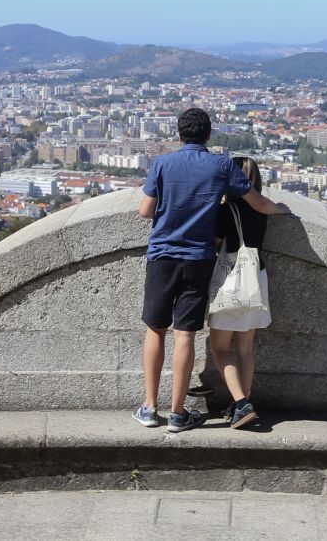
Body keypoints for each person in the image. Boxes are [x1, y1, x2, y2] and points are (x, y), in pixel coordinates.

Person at [133, 108, 290, 433]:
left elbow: (145, 211)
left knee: (155, 330)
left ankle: (149, 408)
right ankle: (177, 415)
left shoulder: (162, 164)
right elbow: (256, 201)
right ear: (208, 135)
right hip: (199, 258)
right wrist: (280, 210)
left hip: (162, 255)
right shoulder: (220, 165)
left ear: (179, 134)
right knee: (186, 334)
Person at [209, 157, 270, 429]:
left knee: (220, 348)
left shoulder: (226, 211)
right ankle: (241, 405)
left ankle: (241, 403)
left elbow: (217, 242)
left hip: (231, 280)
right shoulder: (263, 209)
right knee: (245, 349)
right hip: (256, 279)